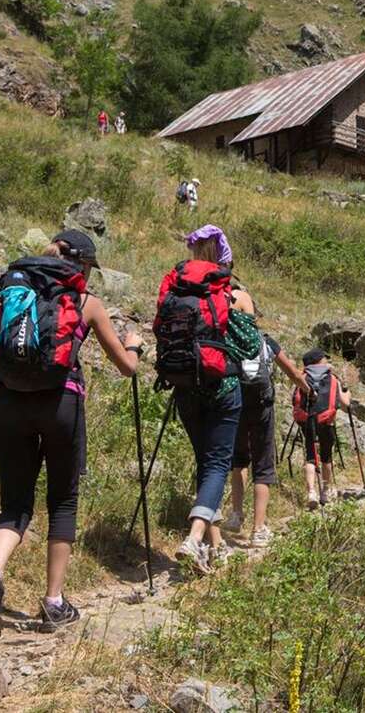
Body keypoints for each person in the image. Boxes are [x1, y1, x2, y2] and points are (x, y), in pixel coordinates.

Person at [0, 230, 143, 640]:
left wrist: (0, 388)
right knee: (62, 500)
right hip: (62, 404)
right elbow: (127, 368)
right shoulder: (86, 302)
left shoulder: (14, 290)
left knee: (15, 502)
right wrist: (134, 346)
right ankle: (53, 603)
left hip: (11, 402)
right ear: (81, 264)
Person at [153, 225, 249, 574]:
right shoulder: (227, 290)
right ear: (222, 255)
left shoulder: (176, 285)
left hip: (183, 384)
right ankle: (194, 539)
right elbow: (251, 346)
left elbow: (157, 327)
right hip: (222, 387)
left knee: (206, 464)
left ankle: (216, 545)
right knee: (217, 465)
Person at [224, 333, 310, 547]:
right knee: (263, 463)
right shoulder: (264, 340)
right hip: (262, 405)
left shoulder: (227, 337)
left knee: (239, 459)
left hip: (235, 403)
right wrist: (308, 389)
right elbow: (292, 372)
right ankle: (258, 529)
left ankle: (236, 514)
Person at [294, 348, 351, 510]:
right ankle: (325, 491)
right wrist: (348, 393)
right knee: (326, 457)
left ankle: (311, 492)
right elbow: (346, 404)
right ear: (319, 361)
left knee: (310, 456)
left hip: (307, 421)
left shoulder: (302, 377)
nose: (326, 361)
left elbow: (295, 400)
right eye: (324, 359)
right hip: (326, 421)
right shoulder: (332, 378)